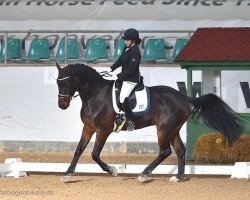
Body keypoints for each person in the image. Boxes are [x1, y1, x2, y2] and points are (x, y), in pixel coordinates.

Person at [105, 28, 142, 131]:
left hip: (131, 79)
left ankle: (131, 122)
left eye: (127, 40)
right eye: (125, 40)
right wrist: (110, 69)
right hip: (124, 77)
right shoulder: (126, 47)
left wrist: (117, 76)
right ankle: (119, 114)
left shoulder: (135, 52)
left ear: (133, 40)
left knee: (122, 97)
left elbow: (131, 69)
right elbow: (120, 60)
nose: (125, 41)